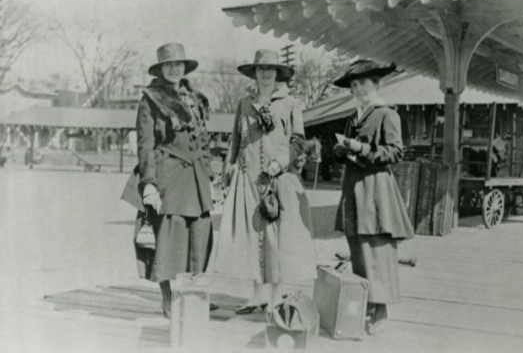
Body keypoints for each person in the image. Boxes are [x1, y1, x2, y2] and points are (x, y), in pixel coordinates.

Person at [211, 49, 316, 318]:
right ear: (255, 73)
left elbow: (298, 141)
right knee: (252, 237)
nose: (265, 73)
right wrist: (229, 168)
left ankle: (274, 297)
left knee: (275, 240)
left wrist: (280, 162)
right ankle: (256, 295)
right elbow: (236, 138)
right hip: (248, 179)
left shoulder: (290, 103)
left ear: (278, 73)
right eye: (261, 69)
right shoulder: (245, 103)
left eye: (270, 69)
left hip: (277, 180)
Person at [121, 43, 215, 317]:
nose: (175, 68)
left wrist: (210, 176)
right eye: (169, 64)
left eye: (179, 63)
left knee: (198, 232)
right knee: (169, 235)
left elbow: (204, 141)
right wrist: (149, 183)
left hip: (195, 175)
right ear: (161, 68)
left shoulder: (196, 98)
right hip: (167, 173)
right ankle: (168, 297)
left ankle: (191, 293)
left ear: (185, 67)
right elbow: (145, 144)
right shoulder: (151, 99)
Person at [332, 59, 414, 335]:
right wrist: (341, 150)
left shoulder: (386, 114)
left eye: (362, 84)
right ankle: (365, 301)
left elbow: (395, 152)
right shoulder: (355, 116)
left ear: (376, 83)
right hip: (354, 189)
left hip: (376, 189)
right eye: (353, 85)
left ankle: (381, 308)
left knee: (377, 249)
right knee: (358, 246)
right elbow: (348, 149)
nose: (357, 89)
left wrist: (362, 148)